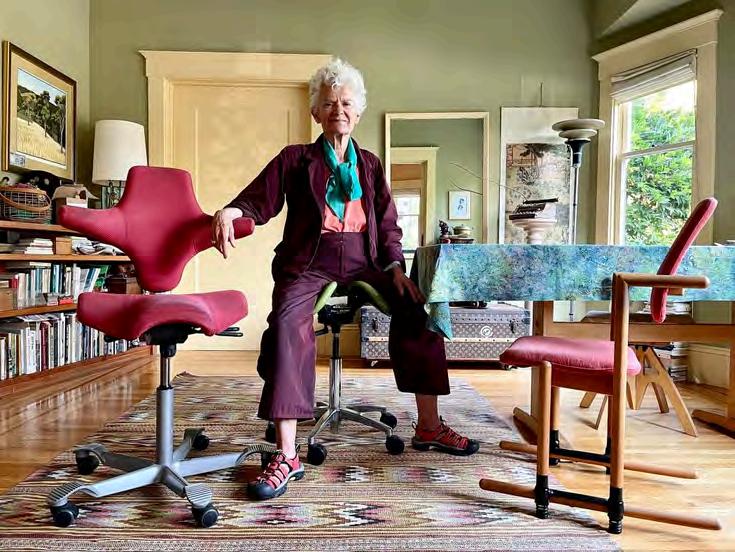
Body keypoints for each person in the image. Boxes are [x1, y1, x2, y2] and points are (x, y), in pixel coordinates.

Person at [212, 58, 479, 501]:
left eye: (347, 103)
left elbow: (388, 225)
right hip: (310, 260)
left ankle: (429, 426)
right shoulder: (295, 159)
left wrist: (394, 267)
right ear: (316, 112)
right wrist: (232, 210)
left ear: (358, 112)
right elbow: (260, 199)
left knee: (418, 307)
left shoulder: (370, 165)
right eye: (330, 103)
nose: (339, 109)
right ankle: (287, 454)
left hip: (365, 258)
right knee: (287, 324)